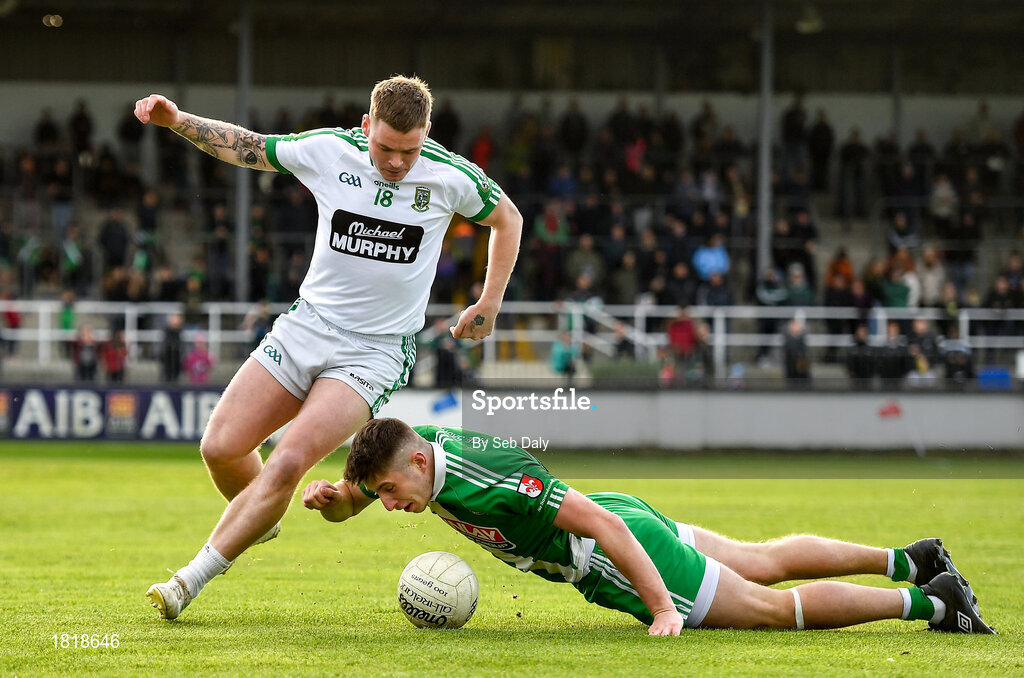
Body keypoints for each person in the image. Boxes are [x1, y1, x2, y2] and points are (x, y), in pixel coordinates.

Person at [137, 75, 523, 620]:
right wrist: (178, 122)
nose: (395, 162)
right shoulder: (330, 150)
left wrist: (489, 302)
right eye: (385, 148)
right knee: (220, 448)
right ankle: (262, 515)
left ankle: (188, 580)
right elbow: (250, 147)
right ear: (367, 127)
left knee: (288, 458)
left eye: (409, 151)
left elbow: (508, 218)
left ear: (427, 134)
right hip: (306, 327)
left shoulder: (450, 176)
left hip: (376, 351)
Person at [302, 418, 994, 635]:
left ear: (419, 464)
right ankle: (911, 558)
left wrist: (662, 605)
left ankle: (934, 603)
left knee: (776, 611)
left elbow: (600, 526)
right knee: (763, 558)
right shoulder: (412, 453)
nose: (390, 506)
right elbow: (363, 489)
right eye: (383, 495)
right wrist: (338, 499)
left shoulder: (492, 480)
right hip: (624, 517)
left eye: (392, 492)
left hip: (615, 546)